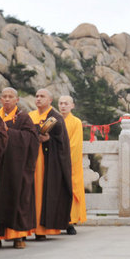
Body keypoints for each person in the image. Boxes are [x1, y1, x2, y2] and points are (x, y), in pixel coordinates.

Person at [0, 87, 39, 249]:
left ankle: (18, 236)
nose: (7, 99)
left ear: (17, 100)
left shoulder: (23, 118)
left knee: (18, 197)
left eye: (10, 97)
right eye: (4, 96)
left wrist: (9, 132)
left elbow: (32, 139)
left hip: (17, 167)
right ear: (0, 99)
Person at [29, 89, 73, 239]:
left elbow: (63, 143)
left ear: (50, 100)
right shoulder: (31, 116)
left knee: (44, 194)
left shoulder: (56, 118)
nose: (39, 99)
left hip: (49, 163)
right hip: (32, 162)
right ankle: (31, 227)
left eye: (42, 96)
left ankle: (43, 229)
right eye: (37, 96)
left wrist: (49, 140)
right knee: (32, 194)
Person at [58, 95, 86, 235]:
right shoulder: (54, 121)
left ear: (72, 106)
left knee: (71, 189)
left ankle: (70, 221)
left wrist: (64, 160)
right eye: (61, 103)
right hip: (55, 163)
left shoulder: (76, 122)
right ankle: (57, 221)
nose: (63, 106)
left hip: (70, 164)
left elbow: (75, 145)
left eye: (66, 103)